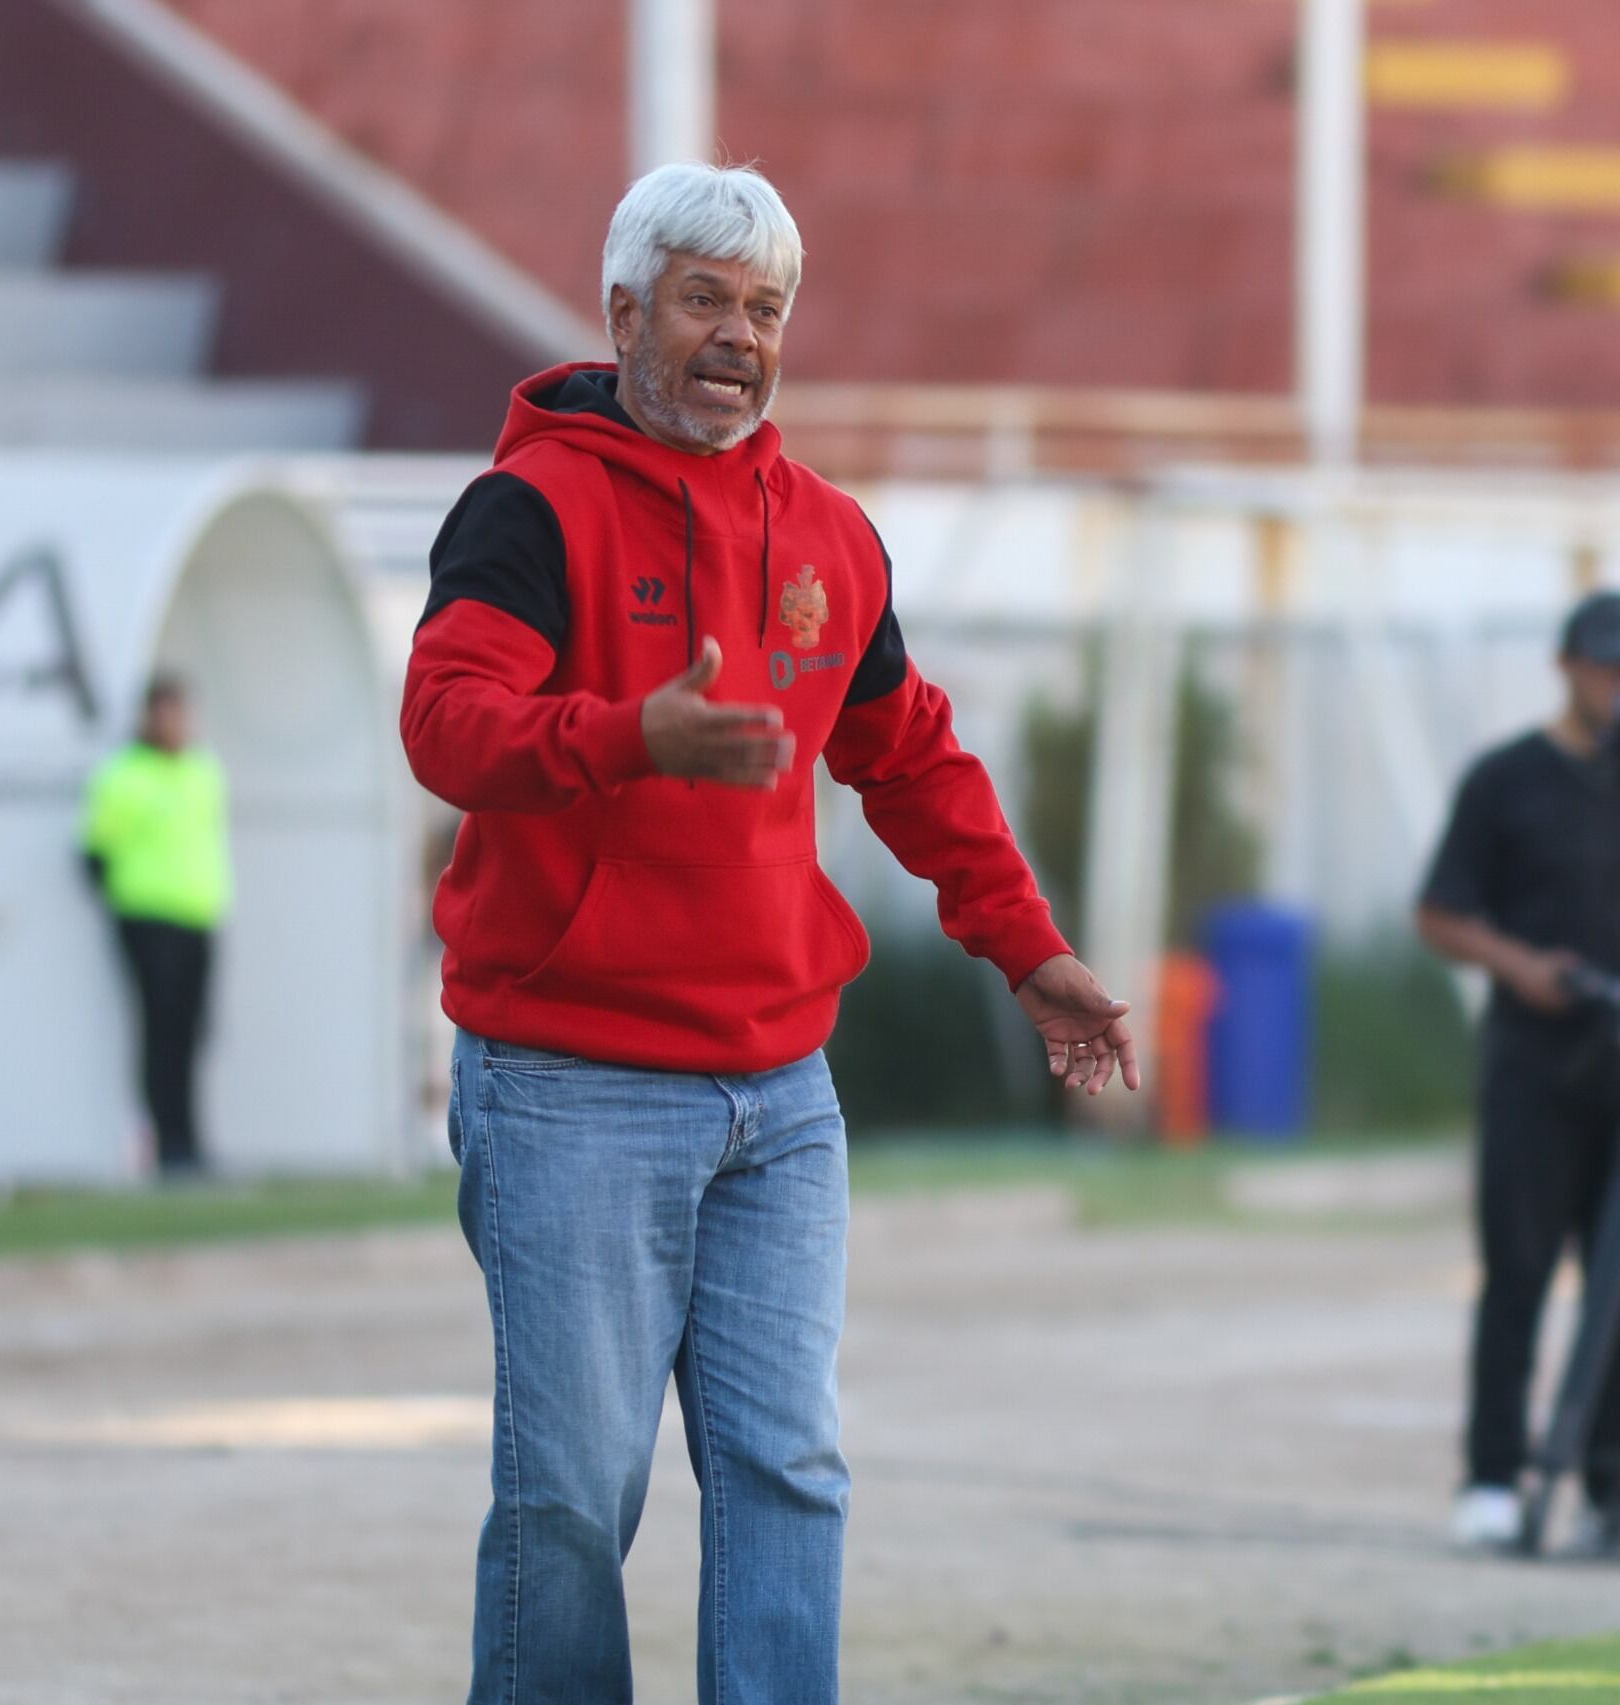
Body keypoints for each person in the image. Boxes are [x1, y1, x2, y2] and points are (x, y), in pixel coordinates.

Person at [400, 161, 1140, 1705]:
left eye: (766, 308)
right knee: (570, 1496)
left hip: (782, 1094)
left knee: (789, 1467)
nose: (739, 336)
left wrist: (1029, 947)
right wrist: (630, 735)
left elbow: (915, 761)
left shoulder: (830, 538)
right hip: (568, 1081)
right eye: (704, 300)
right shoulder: (528, 510)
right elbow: (449, 726)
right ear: (622, 315)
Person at [1415, 589, 1620, 1560]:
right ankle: (1494, 1479)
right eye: (1613, 667)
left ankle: (1615, 1492)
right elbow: (1440, 910)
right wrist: (1520, 967)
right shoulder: (1507, 779)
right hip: (1537, 1067)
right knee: (1519, 1270)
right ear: (1568, 665)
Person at [82, 673, 230, 1179]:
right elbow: (95, 851)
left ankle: (190, 1140)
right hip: (147, 916)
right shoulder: (124, 775)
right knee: (160, 1034)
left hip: (197, 914)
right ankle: (166, 1144)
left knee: (192, 1034)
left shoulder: (202, 770)